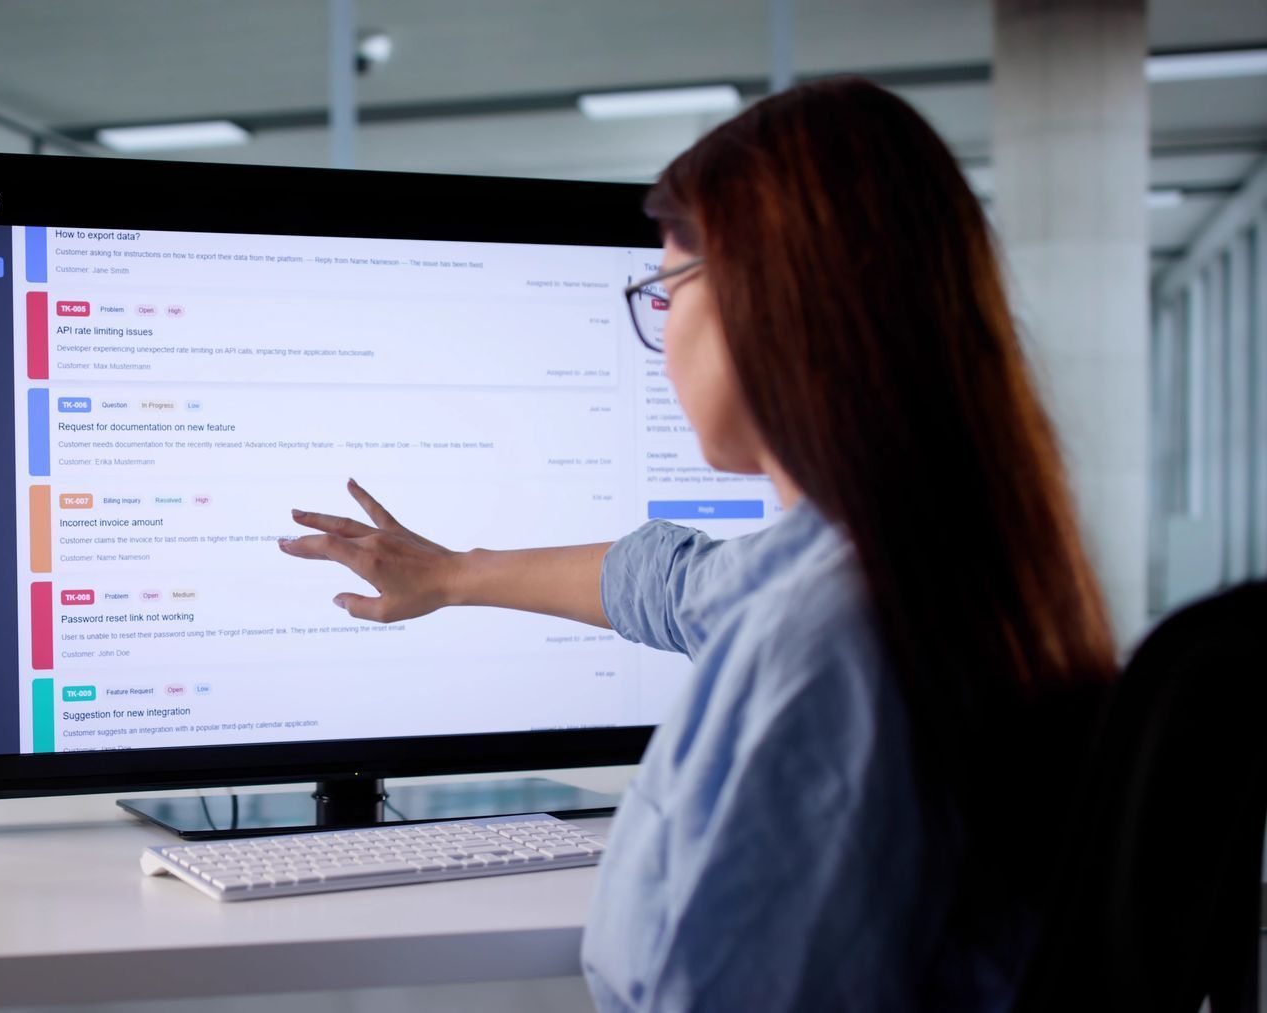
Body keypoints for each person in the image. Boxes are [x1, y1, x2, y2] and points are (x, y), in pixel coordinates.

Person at [277, 77, 1117, 1011]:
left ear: (771, 299)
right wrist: (450, 574)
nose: (662, 329)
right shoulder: (923, 553)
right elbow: (676, 585)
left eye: (666, 287)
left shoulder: (831, 638)